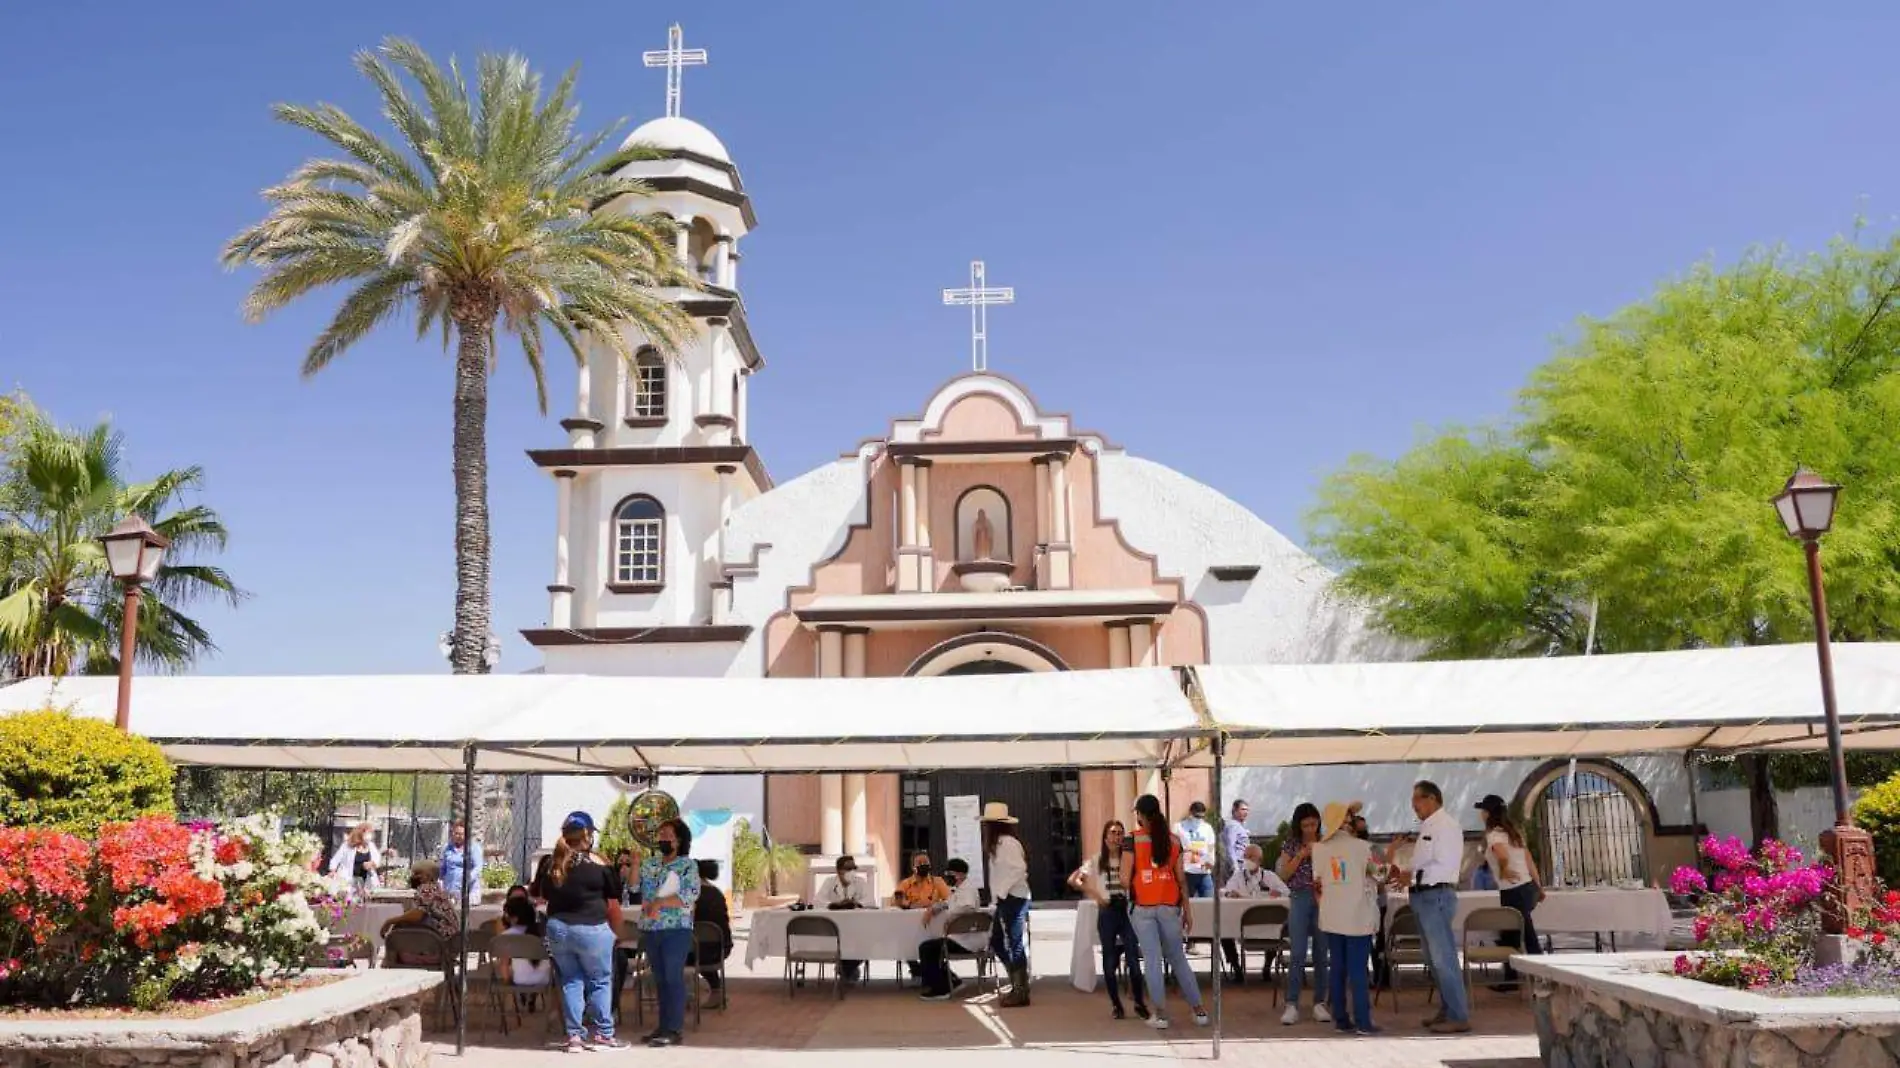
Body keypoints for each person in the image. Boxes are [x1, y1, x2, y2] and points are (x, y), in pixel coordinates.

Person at [530, 811, 627, 1052]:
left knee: (571, 981)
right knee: (600, 980)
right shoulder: (598, 862)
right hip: (591, 927)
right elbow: (615, 892)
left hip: (558, 928)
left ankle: (574, 1037)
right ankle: (603, 1034)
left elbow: (540, 894)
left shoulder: (551, 863)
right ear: (587, 835)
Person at [1128, 794, 1208, 1031]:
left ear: (1140, 815)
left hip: (1142, 907)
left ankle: (1161, 1015)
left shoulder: (1132, 840)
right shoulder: (1175, 841)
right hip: (1170, 907)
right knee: (1178, 959)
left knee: (1152, 960)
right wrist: (1188, 910)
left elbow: (1123, 878)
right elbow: (1181, 880)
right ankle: (1199, 1011)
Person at [1398, 781, 1472, 1034]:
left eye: (1416, 800)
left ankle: (1458, 1015)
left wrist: (1414, 877)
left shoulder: (1447, 826)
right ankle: (1448, 1008)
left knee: (1443, 958)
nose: (1414, 806)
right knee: (1433, 959)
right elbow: (1427, 864)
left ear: (1431, 799)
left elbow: (1445, 866)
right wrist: (1409, 875)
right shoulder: (1428, 827)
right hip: (1424, 897)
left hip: (1436, 896)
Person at [1069, 819, 1150, 1020]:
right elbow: (1073, 879)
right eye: (1113, 833)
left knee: (1133, 957)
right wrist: (1095, 895)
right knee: (1109, 958)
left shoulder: (1129, 859)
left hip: (1127, 910)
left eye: (1120, 833)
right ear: (1105, 838)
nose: (1117, 837)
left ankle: (1139, 1002)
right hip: (1108, 911)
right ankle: (1116, 1004)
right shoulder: (1097, 860)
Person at [1315, 802, 1380, 1036]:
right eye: (1350, 817)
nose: (1354, 820)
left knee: (1338, 969)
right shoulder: (1362, 847)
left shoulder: (1318, 849)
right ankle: (1363, 1021)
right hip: (1357, 916)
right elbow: (1377, 873)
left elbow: (1318, 880)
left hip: (1332, 915)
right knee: (1358, 970)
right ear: (1344, 821)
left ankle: (1341, 1020)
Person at [638, 819, 702, 1049]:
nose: (663, 838)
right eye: (661, 835)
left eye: (668, 835)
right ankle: (663, 1026)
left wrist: (661, 902)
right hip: (652, 928)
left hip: (676, 929)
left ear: (679, 840)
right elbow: (637, 889)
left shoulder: (687, 866)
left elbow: (690, 894)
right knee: (660, 978)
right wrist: (634, 865)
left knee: (673, 977)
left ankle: (674, 1029)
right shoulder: (650, 864)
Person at [1477, 793, 1545, 990]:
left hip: (1513, 890)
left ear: (1488, 813)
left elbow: (1500, 853)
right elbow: (1529, 859)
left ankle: (1540, 976)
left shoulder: (1494, 835)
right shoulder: (1513, 832)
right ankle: (1511, 977)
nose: (1480, 814)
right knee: (1511, 934)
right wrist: (1538, 885)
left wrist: (1504, 868)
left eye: (1482, 810)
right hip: (1526, 886)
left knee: (1525, 935)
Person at [1275, 801, 1332, 1025]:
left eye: (1314, 823)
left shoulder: (1326, 842)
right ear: (1298, 825)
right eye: (1306, 825)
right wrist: (1301, 855)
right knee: (1297, 952)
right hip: (1299, 897)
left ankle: (1320, 1003)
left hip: (1323, 897)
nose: (1310, 828)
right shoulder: (1291, 845)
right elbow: (1283, 875)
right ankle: (1292, 1004)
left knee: (1321, 952)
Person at [984, 802, 1034, 1008]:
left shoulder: (1008, 844)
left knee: (1014, 943)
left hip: (1014, 897)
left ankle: (1020, 990)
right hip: (1007, 898)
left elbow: (1018, 869)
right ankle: (1017, 981)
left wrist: (1001, 892)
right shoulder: (999, 844)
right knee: (998, 940)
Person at [1218, 843, 1290, 984]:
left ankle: (1267, 967)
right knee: (1224, 933)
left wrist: (1278, 893)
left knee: (1276, 929)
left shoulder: (1269, 876)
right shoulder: (1238, 876)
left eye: (1251, 857)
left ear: (1260, 861)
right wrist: (1229, 893)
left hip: (1265, 924)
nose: (1247, 860)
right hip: (1241, 925)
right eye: (1245, 856)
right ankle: (1236, 968)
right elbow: (1224, 891)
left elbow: (1287, 892)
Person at [916, 858, 984, 1000]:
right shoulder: (960, 889)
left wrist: (950, 918)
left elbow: (967, 907)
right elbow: (949, 902)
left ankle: (941, 989)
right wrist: (935, 908)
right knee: (932, 948)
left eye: (949, 873)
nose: (947, 876)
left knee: (927, 948)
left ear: (959, 874)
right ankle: (953, 981)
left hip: (965, 941)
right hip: (961, 938)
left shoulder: (968, 889)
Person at [378, 859, 458, 964]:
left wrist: (390, 921)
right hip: (450, 943)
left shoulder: (426, 889)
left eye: (418, 874)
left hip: (439, 942)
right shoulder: (437, 889)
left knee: (400, 925)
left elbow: (418, 914)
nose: (414, 877)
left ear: (428, 876)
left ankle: (391, 960)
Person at [893, 852, 950, 981]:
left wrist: (932, 905)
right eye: (920, 864)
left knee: (933, 944)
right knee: (904, 939)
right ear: (913, 867)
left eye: (926, 863)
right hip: (909, 928)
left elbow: (950, 900)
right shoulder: (906, 883)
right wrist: (910, 904)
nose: (924, 865)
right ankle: (915, 969)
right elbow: (897, 901)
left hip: (933, 925)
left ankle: (937, 970)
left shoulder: (938, 881)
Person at [817, 855, 870, 982]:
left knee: (867, 942)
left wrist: (856, 903)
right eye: (848, 868)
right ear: (838, 870)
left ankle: (846, 968)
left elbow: (869, 900)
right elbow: (818, 900)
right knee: (839, 944)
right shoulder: (830, 882)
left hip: (857, 926)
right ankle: (847, 969)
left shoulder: (860, 882)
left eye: (854, 868)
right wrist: (833, 905)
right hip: (834, 927)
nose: (852, 871)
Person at [687, 858, 734, 998]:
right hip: (720, 947)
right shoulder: (717, 894)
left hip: (697, 950)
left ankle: (684, 994)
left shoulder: (690, 896)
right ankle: (716, 991)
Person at [493, 894, 552, 1000]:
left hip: (520, 980)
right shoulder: (545, 932)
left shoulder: (507, 936)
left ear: (514, 918)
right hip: (546, 979)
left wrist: (507, 982)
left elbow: (504, 966)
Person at [1176, 801, 1217, 899]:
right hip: (1187, 872)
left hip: (1204, 872)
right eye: (1196, 816)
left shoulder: (1207, 828)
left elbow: (1211, 847)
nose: (1199, 820)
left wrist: (1211, 861)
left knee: (1209, 904)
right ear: (1190, 813)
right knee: (1188, 903)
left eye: (1201, 817)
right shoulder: (1179, 827)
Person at [439, 820, 483, 908]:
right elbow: (443, 868)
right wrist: (439, 882)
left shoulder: (474, 848)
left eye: (462, 834)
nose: (459, 836)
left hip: (468, 892)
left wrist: (468, 877)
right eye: (456, 833)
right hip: (450, 891)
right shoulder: (448, 848)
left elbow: (478, 867)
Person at [328, 822, 381, 891]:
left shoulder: (371, 845)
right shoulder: (347, 845)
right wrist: (333, 871)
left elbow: (377, 859)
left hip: (366, 884)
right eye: (367, 833)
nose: (369, 836)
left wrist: (371, 864)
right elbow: (335, 860)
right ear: (360, 833)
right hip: (348, 881)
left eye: (371, 833)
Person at [1219, 799, 1252, 884]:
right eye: (1243, 809)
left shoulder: (1239, 826)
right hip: (1236, 865)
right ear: (1235, 811)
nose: (1246, 812)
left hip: (1242, 864)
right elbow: (1230, 846)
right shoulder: (1232, 826)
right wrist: (1235, 866)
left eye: (1247, 810)